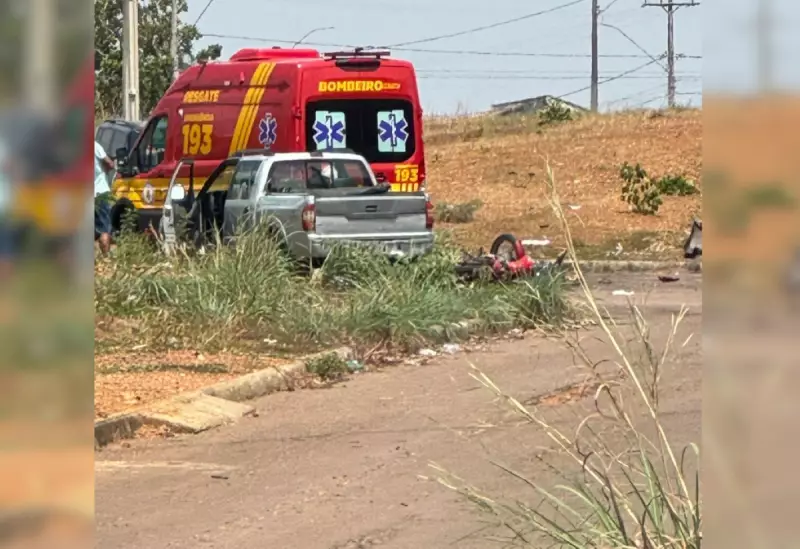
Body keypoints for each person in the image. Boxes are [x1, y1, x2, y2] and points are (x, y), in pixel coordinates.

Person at [94, 140, 114, 255]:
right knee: (105, 230)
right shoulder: (94, 145)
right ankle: (106, 259)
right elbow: (110, 164)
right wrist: (106, 169)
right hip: (100, 192)